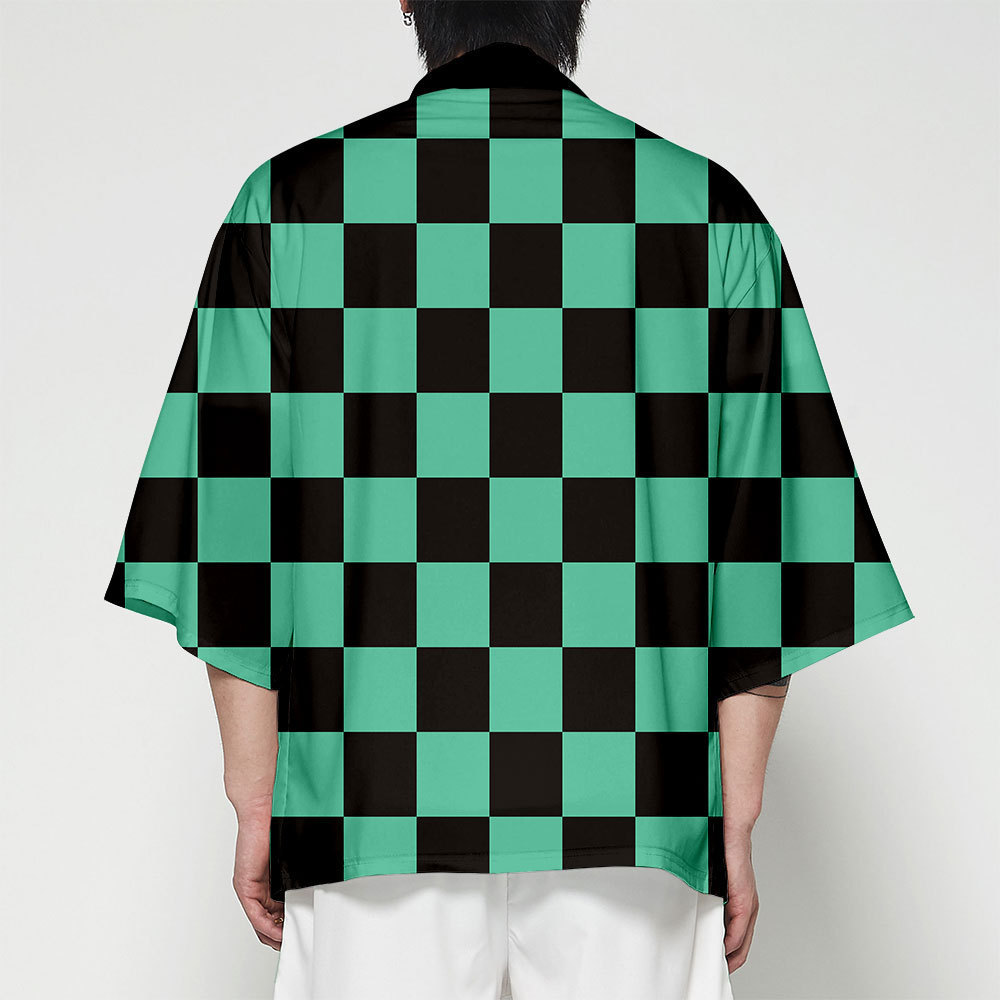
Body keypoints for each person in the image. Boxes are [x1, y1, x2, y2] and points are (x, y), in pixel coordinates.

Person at [102, 2, 915, 997]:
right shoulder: (705, 211)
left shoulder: (293, 205)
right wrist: (732, 818)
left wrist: (257, 796)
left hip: (372, 800)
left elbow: (229, 536)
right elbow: (770, 551)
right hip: (633, 799)